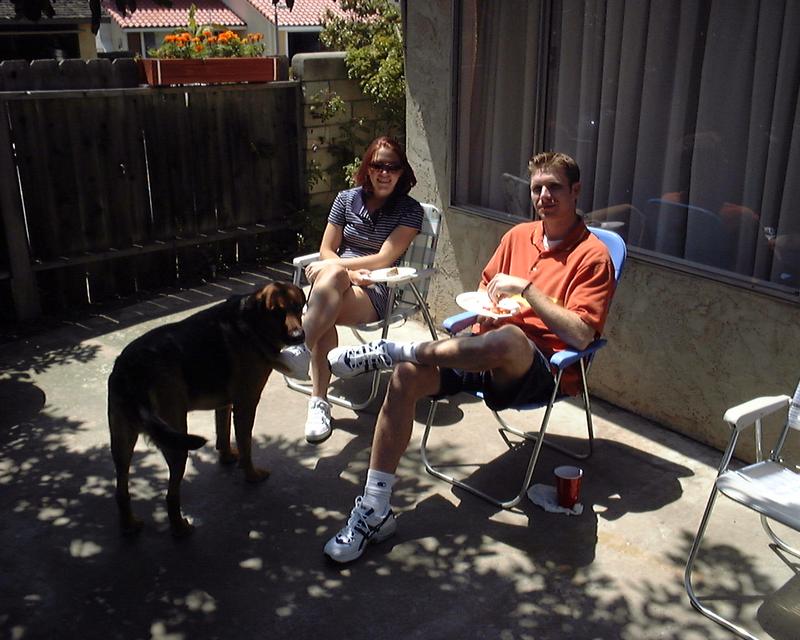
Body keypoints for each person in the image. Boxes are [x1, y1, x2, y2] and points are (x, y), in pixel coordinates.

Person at [321, 151, 616, 563]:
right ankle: (374, 508)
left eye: (554, 187)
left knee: (511, 338)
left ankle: (391, 350)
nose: (544, 196)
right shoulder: (518, 237)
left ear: (576, 191)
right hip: (480, 352)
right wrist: (487, 308)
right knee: (406, 376)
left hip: (538, 370)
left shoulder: (593, 255)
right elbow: (485, 289)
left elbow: (582, 333)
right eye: (537, 188)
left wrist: (527, 291)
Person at [279, 137, 423, 444]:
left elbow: (384, 258)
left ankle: (303, 356)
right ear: (367, 168)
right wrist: (345, 273)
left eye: (392, 167)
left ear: (402, 172)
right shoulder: (345, 199)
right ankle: (317, 401)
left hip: (376, 288)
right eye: (378, 165)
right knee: (328, 294)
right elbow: (326, 249)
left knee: (326, 290)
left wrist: (341, 270)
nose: (384, 173)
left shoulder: (410, 210)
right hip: (336, 284)